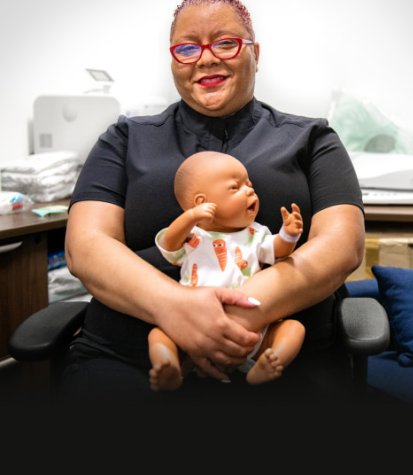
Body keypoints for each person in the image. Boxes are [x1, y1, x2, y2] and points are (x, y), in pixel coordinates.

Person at [63, 0, 365, 406]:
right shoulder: (125, 139)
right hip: (131, 357)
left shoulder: (312, 139)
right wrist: (175, 309)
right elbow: (85, 247)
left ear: (255, 53)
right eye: (187, 48)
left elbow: (342, 246)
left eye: (225, 43)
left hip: (276, 358)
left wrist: (244, 314)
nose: (205, 60)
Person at [149, 150, 305, 390]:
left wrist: (288, 235)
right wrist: (189, 218)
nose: (250, 191)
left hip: (251, 331)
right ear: (201, 203)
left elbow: (278, 250)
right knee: (159, 335)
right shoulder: (193, 237)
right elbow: (169, 245)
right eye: (235, 187)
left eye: (250, 185)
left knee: (293, 329)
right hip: (191, 326)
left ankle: (266, 364)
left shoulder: (255, 234)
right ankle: (169, 364)